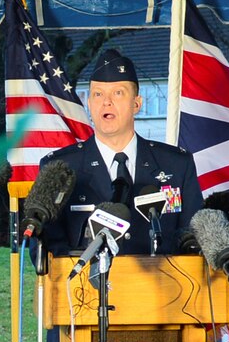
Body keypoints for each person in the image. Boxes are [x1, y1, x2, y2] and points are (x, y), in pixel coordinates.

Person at [36, 48, 204, 256]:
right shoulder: (61, 168)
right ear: (89, 104)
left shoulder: (176, 164)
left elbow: (193, 236)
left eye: (118, 93)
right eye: (98, 94)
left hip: (163, 285)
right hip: (86, 285)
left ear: (136, 104)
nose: (106, 102)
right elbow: (46, 249)